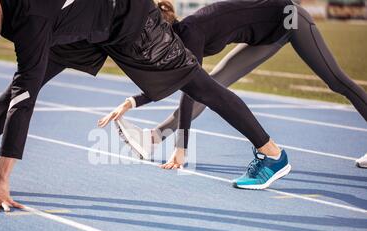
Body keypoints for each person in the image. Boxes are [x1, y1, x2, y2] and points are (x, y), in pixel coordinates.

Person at [0, 0, 292, 213]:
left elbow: (24, 94)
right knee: (27, 79)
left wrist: (0, 180)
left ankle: (270, 152)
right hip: (82, 25)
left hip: (129, 21)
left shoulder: (30, 16)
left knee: (199, 85)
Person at [98, 0, 367, 168]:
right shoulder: (181, 38)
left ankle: (156, 138)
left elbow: (188, 91)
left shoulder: (190, 34)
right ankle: (154, 138)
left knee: (337, 82)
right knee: (212, 87)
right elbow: (187, 83)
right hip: (267, 35)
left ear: (163, 30)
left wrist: (181, 149)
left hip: (289, 17)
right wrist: (133, 101)